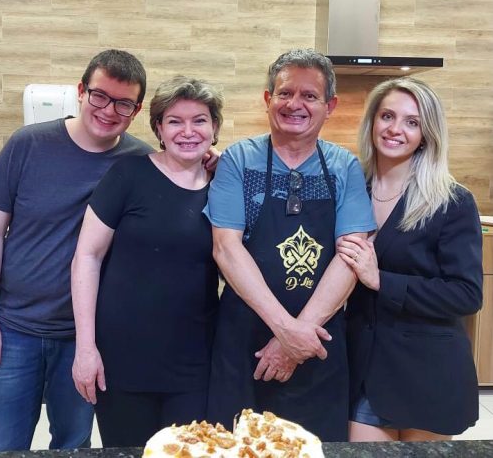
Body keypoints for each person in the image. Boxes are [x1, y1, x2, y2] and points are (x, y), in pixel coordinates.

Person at [203, 48, 377, 441]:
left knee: (312, 446)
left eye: (309, 95)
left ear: (330, 106)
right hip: (245, 341)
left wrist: (296, 339)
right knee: (238, 444)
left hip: (318, 341)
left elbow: (351, 255)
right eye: (284, 93)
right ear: (268, 99)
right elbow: (226, 249)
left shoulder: (344, 167)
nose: (294, 104)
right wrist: (286, 330)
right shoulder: (238, 160)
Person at [0, 49, 158, 452]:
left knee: (74, 445)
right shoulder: (28, 144)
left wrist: (212, 163)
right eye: (100, 96)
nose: (108, 110)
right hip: (14, 329)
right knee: (4, 444)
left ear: (136, 110)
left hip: (86, 338)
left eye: (123, 103)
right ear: (81, 91)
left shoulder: (140, 162)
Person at [71, 76, 223, 447]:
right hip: (122, 359)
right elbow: (87, 257)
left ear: (215, 127)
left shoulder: (224, 186)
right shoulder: (129, 175)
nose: (188, 131)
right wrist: (85, 348)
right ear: (158, 128)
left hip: (195, 362)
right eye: (175, 121)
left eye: (199, 120)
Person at [337, 77, 483, 441]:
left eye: (411, 122)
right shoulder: (351, 189)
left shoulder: (451, 201)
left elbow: (466, 294)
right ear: (373, 120)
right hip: (364, 370)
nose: (394, 129)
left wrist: (381, 280)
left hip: (428, 371)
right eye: (387, 116)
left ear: (426, 134)